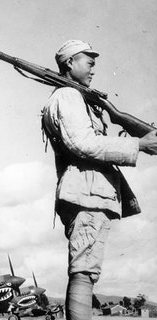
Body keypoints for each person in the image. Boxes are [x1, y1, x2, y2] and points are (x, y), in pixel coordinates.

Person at [40, 40, 157, 320]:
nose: (94, 68)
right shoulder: (68, 96)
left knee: (87, 270)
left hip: (89, 193)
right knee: (84, 271)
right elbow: (83, 144)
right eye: (89, 61)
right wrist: (137, 145)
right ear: (69, 63)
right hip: (86, 194)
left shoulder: (77, 97)